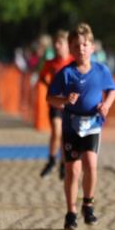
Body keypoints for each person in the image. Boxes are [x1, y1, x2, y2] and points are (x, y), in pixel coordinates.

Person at [47, 23, 115, 230]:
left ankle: (88, 203)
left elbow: (112, 90)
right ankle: (71, 212)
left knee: (91, 164)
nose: (81, 49)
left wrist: (106, 105)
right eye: (76, 46)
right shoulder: (65, 73)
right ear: (70, 49)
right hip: (71, 125)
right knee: (73, 170)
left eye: (85, 45)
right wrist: (65, 100)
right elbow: (50, 98)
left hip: (93, 123)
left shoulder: (101, 70)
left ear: (92, 47)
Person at [37, 30, 73, 180]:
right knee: (57, 132)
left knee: (66, 137)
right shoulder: (50, 63)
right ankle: (52, 160)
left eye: (60, 43)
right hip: (56, 104)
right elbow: (41, 77)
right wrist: (51, 87)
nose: (57, 46)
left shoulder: (72, 62)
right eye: (55, 44)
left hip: (70, 106)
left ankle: (64, 165)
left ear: (67, 45)